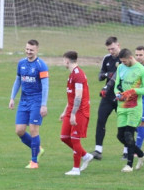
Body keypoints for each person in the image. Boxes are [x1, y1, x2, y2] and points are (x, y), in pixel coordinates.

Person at [8, 39, 49, 169]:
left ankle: (34, 161)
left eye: (31, 50)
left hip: (36, 101)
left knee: (33, 130)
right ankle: (38, 149)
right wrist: (12, 98)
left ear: (37, 50)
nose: (28, 52)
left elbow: (45, 86)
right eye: (27, 49)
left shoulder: (41, 65)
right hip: (24, 101)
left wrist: (43, 104)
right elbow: (18, 80)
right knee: (19, 131)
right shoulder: (21, 63)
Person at [114, 49, 144, 172]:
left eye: (125, 62)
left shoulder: (142, 70)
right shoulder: (120, 67)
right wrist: (118, 93)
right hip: (122, 106)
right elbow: (117, 84)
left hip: (135, 107)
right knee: (120, 136)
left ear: (130, 58)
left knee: (129, 134)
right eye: (122, 62)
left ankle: (129, 165)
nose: (123, 64)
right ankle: (141, 154)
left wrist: (134, 91)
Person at [59, 51, 94, 176]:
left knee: (75, 139)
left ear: (67, 61)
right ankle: (85, 155)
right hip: (71, 110)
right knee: (64, 137)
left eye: (64, 60)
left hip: (80, 111)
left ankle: (76, 169)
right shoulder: (72, 75)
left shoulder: (78, 75)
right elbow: (72, 97)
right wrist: (65, 112)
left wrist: (73, 114)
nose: (63, 63)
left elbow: (78, 97)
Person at [91, 36, 122, 160]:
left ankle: (126, 151)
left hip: (121, 95)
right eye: (109, 49)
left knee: (123, 124)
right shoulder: (106, 59)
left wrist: (108, 76)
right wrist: (106, 74)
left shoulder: (125, 57)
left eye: (113, 48)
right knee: (101, 120)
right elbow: (100, 76)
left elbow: (117, 76)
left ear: (118, 45)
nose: (111, 51)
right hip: (107, 96)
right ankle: (98, 150)